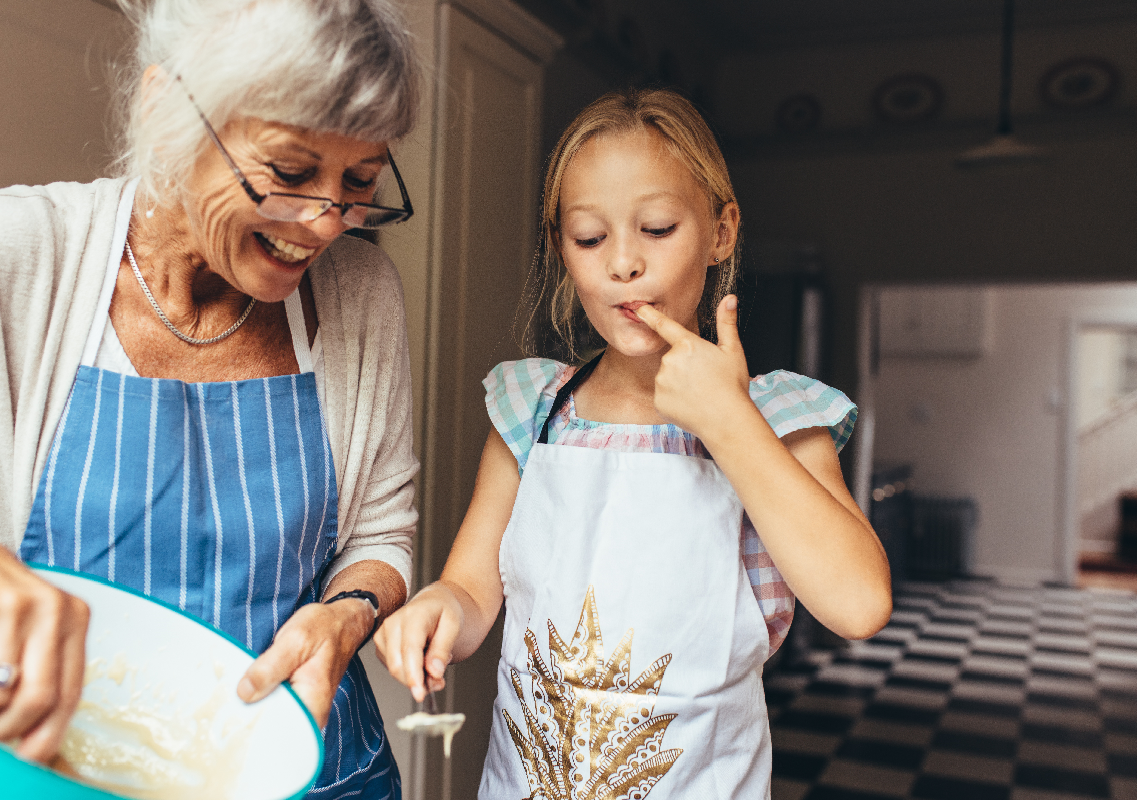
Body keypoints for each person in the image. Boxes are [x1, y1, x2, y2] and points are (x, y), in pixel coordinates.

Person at [0, 0, 421, 795]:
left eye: (359, 182)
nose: (327, 223)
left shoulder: (362, 294)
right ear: (167, 110)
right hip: (56, 771)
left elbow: (383, 526)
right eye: (292, 173)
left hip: (321, 775)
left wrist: (348, 614)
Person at [374, 88, 892, 798]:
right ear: (564, 249)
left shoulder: (779, 418)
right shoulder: (533, 409)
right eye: (590, 237)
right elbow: (471, 590)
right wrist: (440, 610)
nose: (623, 263)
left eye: (656, 228)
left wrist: (729, 422)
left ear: (721, 231)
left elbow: (859, 605)